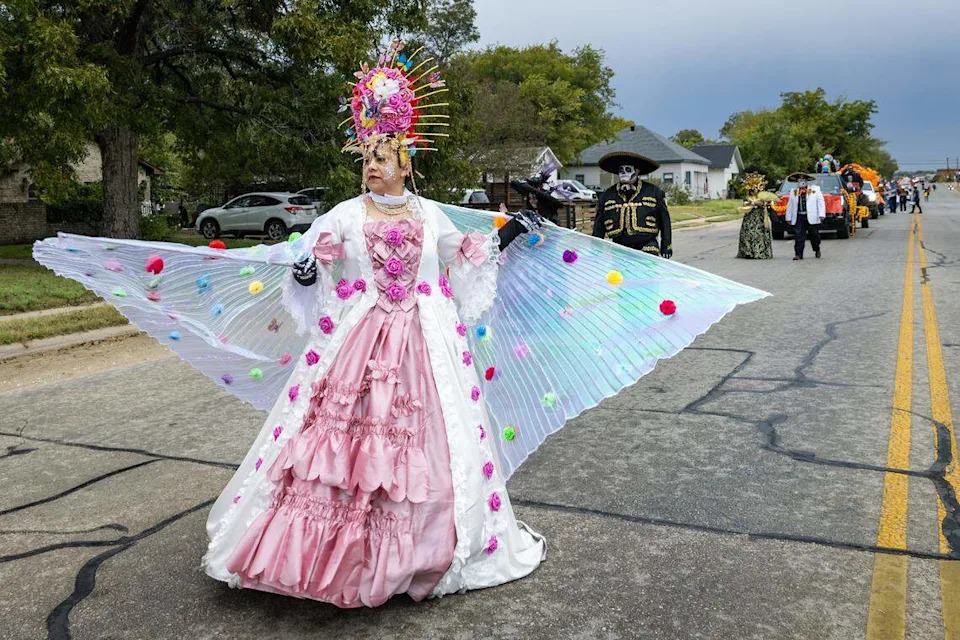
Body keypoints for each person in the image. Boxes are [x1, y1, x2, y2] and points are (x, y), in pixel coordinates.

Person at [32, 39, 768, 609]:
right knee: (332, 451)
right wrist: (305, 271)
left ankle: (413, 554)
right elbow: (308, 263)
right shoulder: (343, 215)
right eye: (365, 158)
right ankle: (316, 554)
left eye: (381, 159)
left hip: (426, 341)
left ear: (404, 159)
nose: (370, 170)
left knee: (427, 448)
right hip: (357, 342)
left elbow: (463, 261)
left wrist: (506, 238)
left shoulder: (429, 213)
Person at [591, 151, 672, 258]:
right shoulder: (607, 195)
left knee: (647, 272)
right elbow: (599, 225)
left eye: (628, 169)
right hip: (619, 247)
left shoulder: (653, 192)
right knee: (621, 274)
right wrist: (595, 249)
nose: (623, 173)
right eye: (621, 170)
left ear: (637, 171)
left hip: (647, 246)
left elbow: (665, 221)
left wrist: (666, 246)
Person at [785, 172, 826, 260]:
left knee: (814, 235)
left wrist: (821, 214)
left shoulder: (815, 190)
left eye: (803, 180)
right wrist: (788, 217)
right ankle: (798, 254)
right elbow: (790, 205)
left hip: (811, 216)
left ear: (807, 181)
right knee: (798, 235)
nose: (801, 182)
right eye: (799, 180)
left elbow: (820, 202)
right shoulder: (794, 191)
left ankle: (817, 249)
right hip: (799, 216)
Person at [736, 173, 774, 259]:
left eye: (756, 187)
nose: (754, 190)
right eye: (753, 188)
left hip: (760, 217)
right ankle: (748, 252)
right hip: (749, 217)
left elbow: (766, 204)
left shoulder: (763, 195)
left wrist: (762, 203)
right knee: (747, 232)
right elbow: (744, 204)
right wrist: (752, 203)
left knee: (759, 234)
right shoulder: (747, 197)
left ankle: (759, 252)